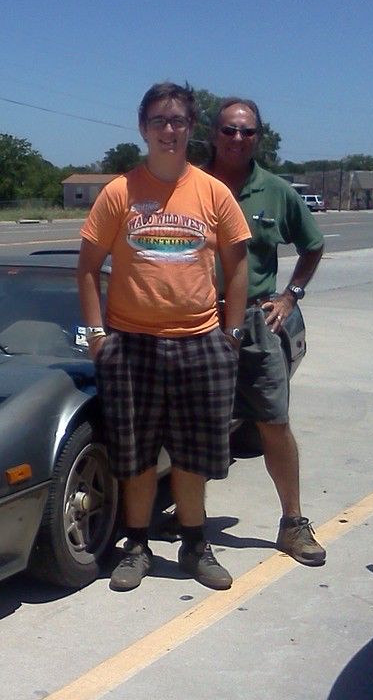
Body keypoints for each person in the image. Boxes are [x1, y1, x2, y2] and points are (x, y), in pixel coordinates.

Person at [77, 82, 251, 592]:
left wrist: (231, 333)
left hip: (201, 342)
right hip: (131, 344)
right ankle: (136, 547)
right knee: (135, 455)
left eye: (177, 121)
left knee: (193, 457)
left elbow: (237, 266)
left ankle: (195, 546)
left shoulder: (213, 192)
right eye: (158, 121)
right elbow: (86, 267)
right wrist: (96, 336)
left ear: (191, 128)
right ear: (143, 128)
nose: (168, 130)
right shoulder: (119, 192)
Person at [203, 97, 326, 566]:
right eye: (229, 130)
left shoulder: (276, 191)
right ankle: (188, 517)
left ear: (258, 137)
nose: (237, 138)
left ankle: (293, 524)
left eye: (247, 131)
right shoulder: (189, 185)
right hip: (198, 321)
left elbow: (313, 245)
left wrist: (291, 295)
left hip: (255, 323)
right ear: (213, 134)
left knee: (274, 422)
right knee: (190, 424)